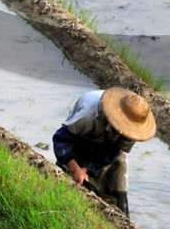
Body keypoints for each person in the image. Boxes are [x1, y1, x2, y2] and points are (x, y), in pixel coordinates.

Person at [52, 86, 156, 219]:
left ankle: (122, 221)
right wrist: (76, 169)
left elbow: (112, 153)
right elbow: (61, 140)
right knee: (80, 185)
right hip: (81, 138)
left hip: (108, 145)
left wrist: (88, 168)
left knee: (119, 192)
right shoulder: (88, 115)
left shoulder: (133, 130)